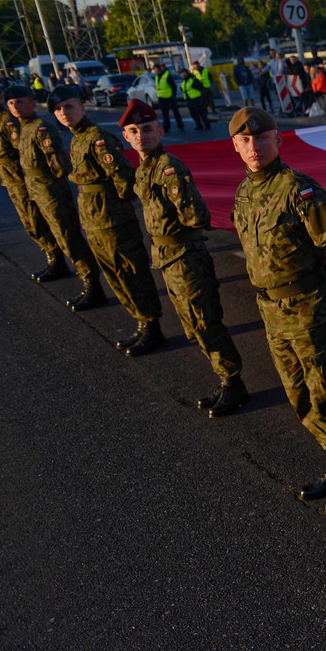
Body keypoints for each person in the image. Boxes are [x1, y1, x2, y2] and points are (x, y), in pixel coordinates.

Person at [228, 107, 326, 515]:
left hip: (310, 310)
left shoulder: (299, 190)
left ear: (278, 141)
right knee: (299, 395)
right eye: (244, 141)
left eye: (261, 138)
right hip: (271, 310)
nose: (253, 148)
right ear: (235, 146)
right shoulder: (243, 192)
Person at [119, 100, 249, 416]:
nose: (141, 136)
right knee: (193, 324)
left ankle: (233, 384)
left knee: (205, 323)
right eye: (134, 131)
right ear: (126, 136)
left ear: (160, 131)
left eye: (147, 129)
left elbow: (196, 215)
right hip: (167, 255)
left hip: (185, 255)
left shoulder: (168, 167)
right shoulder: (144, 168)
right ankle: (226, 380)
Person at [49, 86, 167, 354]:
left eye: (69, 106)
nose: (63, 113)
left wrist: (116, 208)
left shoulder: (98, 138)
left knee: (131, 273)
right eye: (58, 110)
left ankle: (152, 327)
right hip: (94, 220)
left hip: (113, 221)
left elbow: (123, 179)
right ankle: (141, 323)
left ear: (82, 107)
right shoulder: (78, 138)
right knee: (116, 276)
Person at [5, 84, 103, 310]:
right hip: (36, 189)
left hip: (50, 190)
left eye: (20, 102)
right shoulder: (25, 128)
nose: (15, 107)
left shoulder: (41, 128)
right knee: (55, 234)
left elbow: (59, 165)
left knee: (68, 236)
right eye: (11, 103)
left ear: (31, 102)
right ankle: (70, 270)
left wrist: (51, 183)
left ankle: (92, 284)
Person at [0, 82, 66, 282]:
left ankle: (57, 259)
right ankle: (52, 257)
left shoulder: (7, 120)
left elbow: (24, 149)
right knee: (29, 221)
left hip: (21, 175)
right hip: (9, 176)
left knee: (37, 219)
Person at [152, 63, 184, 132]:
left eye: (156, 69)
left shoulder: (167, 76)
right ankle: (166, 127)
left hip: (170, 97)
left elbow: (173, 86)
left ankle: (180, 125)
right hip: (162, 97)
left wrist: (173, 96)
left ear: (159, 69)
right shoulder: (157, 77)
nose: (155, 71)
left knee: (175, 112)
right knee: (165, 114)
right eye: (154, 70)